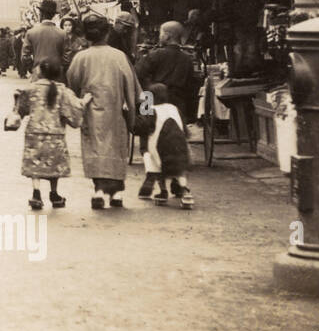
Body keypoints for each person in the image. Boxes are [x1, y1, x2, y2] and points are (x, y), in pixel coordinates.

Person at [66, 14, 141, 210]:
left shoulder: (80, 57)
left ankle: (98, 190)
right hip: (116, 112)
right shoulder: (119, 57)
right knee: (116, 150)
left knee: (95, 150)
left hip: (91, 112)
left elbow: (72, 84)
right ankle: (116, 193)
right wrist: (138, 116)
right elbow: (135, 89)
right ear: (107, 33)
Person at [12, 57, 86, 211]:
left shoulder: (31, 89)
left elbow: (21, 109)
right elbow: (73, 110)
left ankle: (36, 193)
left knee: (35, 163)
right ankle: (54, 194)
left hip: (34, 132)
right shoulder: (63, 91)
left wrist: (16, 100)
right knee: (54, 163)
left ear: (40, 71)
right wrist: (85, 101)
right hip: (56, 134)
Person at [141, 83, 195, 209]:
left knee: (156, 165)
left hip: (160, 148)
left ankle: (163, 190)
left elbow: (145, 128)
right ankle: (185, 190)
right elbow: (184, 128)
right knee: (180, 171)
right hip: (180, 147)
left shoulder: (151, 110)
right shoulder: (174, 108)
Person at [21, 0, 66, 78]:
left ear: (41, 14)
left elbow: (25, 56)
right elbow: (67, 57)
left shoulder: (31, 32)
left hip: (38, 74)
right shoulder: (63, 34)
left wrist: (33, 68)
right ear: (53, 15)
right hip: (57, 74)